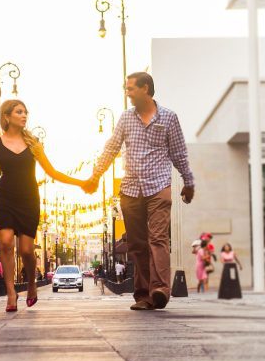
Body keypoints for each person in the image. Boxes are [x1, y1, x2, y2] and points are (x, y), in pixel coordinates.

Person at [84, 72, 195, 311]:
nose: (127, 92)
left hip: (159, 187)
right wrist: (95, 177)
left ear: (145, 88)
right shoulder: (125, 118)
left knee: (157, 238)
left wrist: (189, 181)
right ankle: (143, 295)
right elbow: (111, 148)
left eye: (131, 88)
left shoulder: (168, 117)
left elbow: (179, 152)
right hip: (131, 189)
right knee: (137, 244)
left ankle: (160, 290)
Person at [0, 99, 88, 312]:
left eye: (25, 112)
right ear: (7, 116)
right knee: (5, 243)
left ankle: (32, 284)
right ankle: (11, 294)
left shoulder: (34, 144)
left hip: (29, 199)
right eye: (19, 112)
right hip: (5, 197)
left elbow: (52, 172)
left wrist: (80, 183)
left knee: (26, 249)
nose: (24, 115)